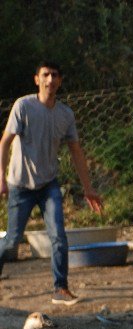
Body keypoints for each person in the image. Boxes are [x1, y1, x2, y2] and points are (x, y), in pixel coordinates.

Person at [0, 61, 103, 305]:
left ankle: (61, 288)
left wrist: (88, 188)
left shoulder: (65, 114)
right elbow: (5, 142)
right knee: (13, 240)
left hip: (48, 184)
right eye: (45, 75)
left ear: (60, 81)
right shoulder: (23, 106)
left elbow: (76, 151)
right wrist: (1, 178)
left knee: (58, 235)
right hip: (20, 184)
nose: (50, 80)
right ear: (37, 79)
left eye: (55, 75)